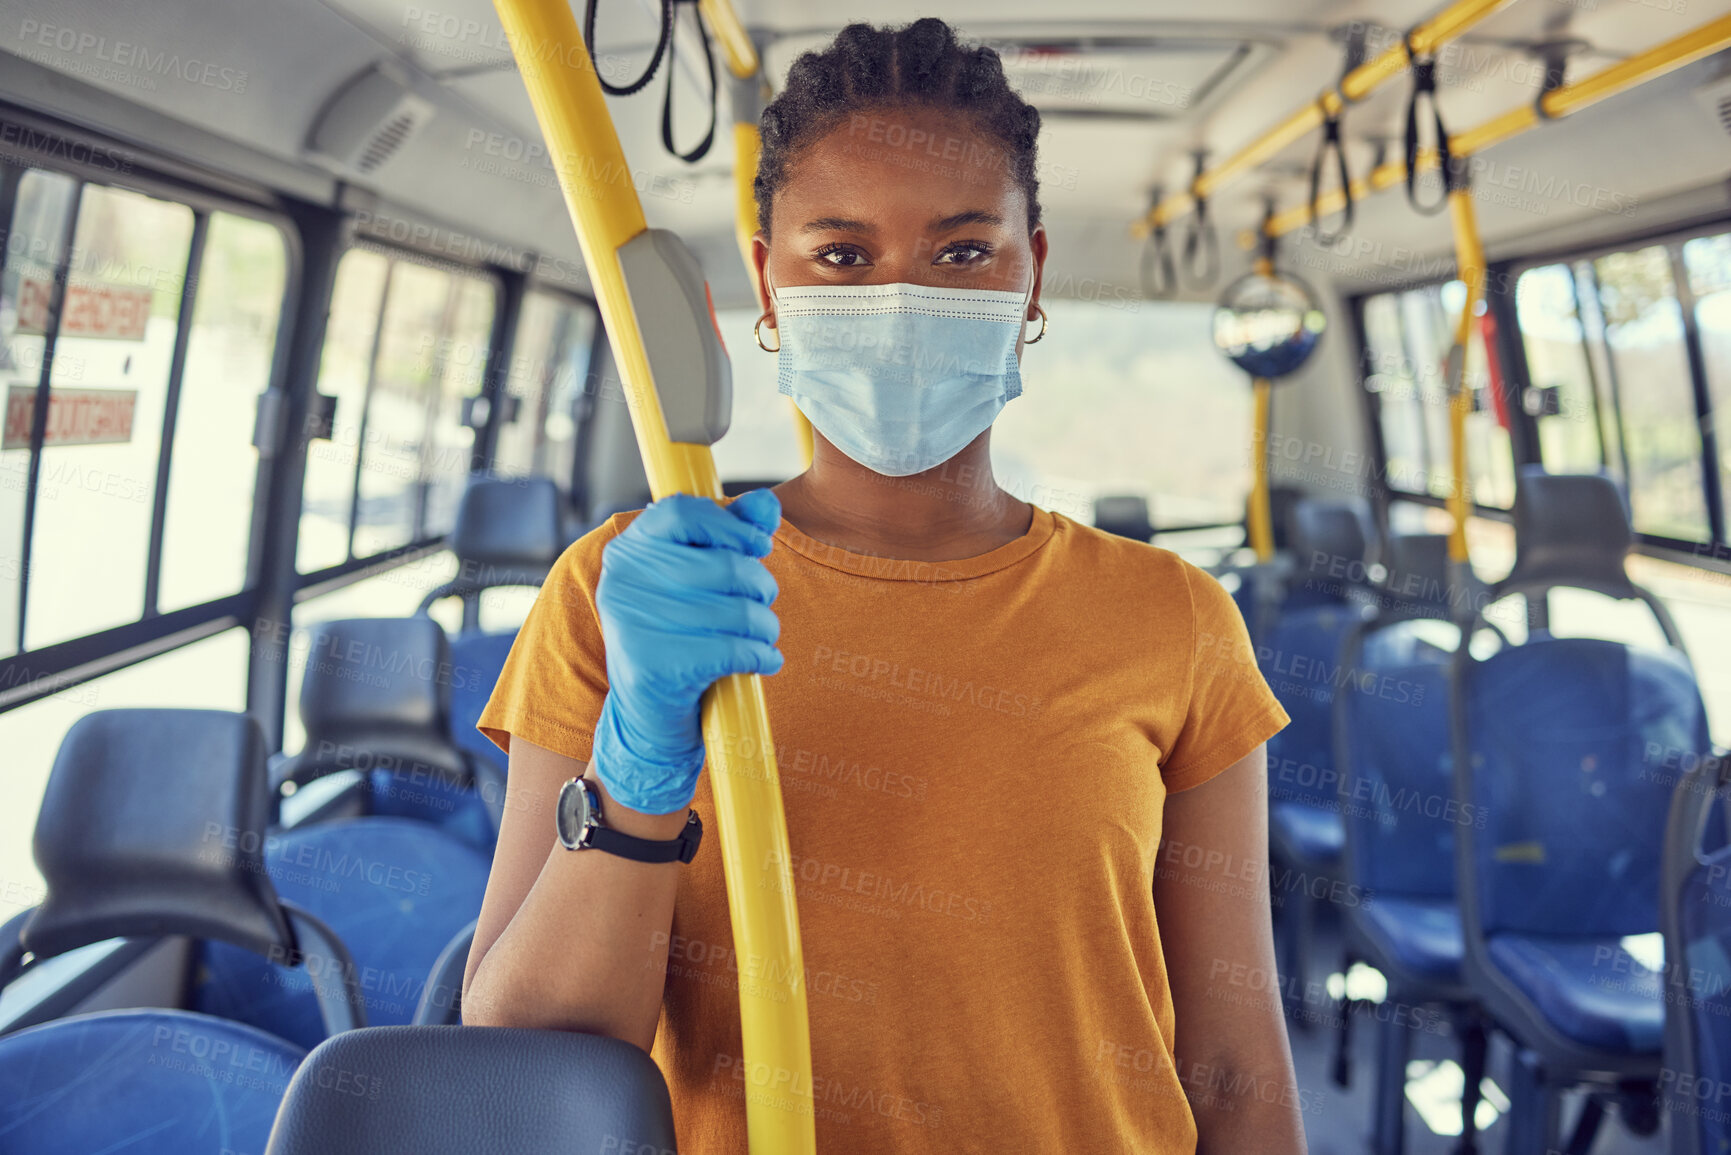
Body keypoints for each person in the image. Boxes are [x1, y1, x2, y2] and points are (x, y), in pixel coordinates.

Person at [464, 18, 1302, 1153]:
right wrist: (637, 766)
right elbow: (530, 1039)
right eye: (843, 257)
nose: (901, 300)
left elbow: (1235, 1067)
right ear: (769, 283)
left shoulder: (1178, 621)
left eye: (962, 253)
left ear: (1031, 275)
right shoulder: (620, 595)